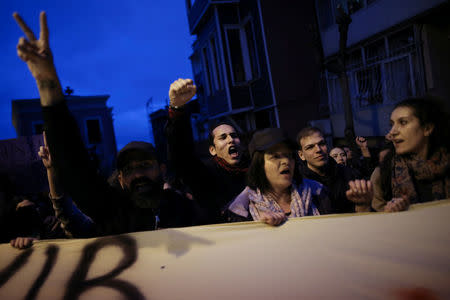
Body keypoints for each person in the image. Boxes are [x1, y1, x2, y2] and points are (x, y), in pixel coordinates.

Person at [13, 12, 197, 236]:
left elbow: (186, 160)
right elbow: (76, 167)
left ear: (162, 170)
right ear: (120, 180)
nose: (137, 175)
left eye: (145, 165)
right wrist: (46, 80)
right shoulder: (112, 211)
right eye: (128, 170)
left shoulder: (186, 208)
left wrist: (177, 110)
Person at [166, 78, 248, 224]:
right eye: (223, 137)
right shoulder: (205, 174)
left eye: (234, 135)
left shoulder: (254, 169)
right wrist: (177, 111)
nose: (230, 140)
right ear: (212, 150)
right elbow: (182, 155)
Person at [227, 128, 329, 225]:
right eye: (275, 156)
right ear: (259, 165)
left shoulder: (319, 193)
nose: (286, 161)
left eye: (289, 155)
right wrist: (260, 227)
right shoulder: (242, 210)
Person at [369, 97, 450, 212]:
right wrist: (388, 214)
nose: (392, 132)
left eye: (403, 122)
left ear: (427, 128)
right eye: (391, 124)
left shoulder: (447, 166)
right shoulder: (382, 175)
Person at [296, 127, 372, 213]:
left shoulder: (348, 174)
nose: (318, 150)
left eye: (322, 144)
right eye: (310, 147)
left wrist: (363, 205)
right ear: (301, 155)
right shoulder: (298, 183)